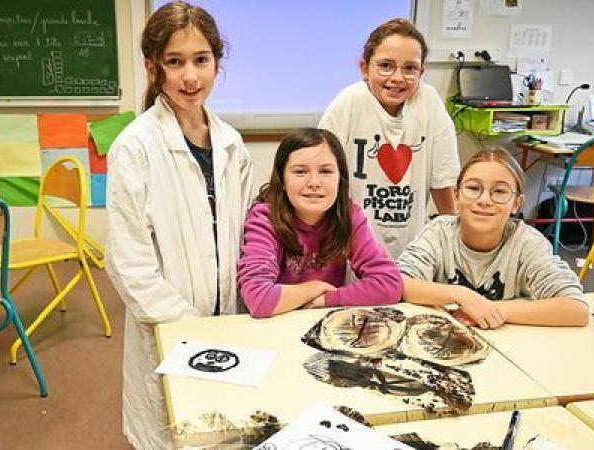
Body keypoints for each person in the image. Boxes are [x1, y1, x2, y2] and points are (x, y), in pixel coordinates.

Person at [105, 2, 252, 448]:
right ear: (153, 67)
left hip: (230, 319)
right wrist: (190, 326)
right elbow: (128, 264)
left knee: (226, 429)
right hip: (170, 325)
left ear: (216, 64)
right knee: (172, 432)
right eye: (175, 62)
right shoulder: (135, 147)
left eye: (201, 61)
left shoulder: (231, 143)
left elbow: (245, 238)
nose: (190, 77)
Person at [398, 147, 589, 329]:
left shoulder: (527, 243)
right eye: (473, 188)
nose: (484, 200)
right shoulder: (438, 233)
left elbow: (576, 308)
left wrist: (492, 310)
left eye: (499, 191)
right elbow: (399, 283)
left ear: (516, 203)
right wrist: (462, 296)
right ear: (456, 197)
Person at [319, 18, 460, 259]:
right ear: (365, 68)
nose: (397, 77)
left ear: (421, 72)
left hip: (411, 243)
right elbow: (321, 172)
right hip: (351, 243)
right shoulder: (348, 103)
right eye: (385, 65)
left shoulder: (429, 103)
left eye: (410, 68)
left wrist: (456, 244)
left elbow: (442, 181)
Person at [238, 128, 402, 318]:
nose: (314, 182)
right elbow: (259, 299)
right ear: (282, 179)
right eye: (300, 171)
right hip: (275, 325)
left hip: (324, 321)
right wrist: (315, 288)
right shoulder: (265, 218)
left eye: (325, 171)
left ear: (340, 179)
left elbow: (390, 283)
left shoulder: (349, 216)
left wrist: (328, 299)